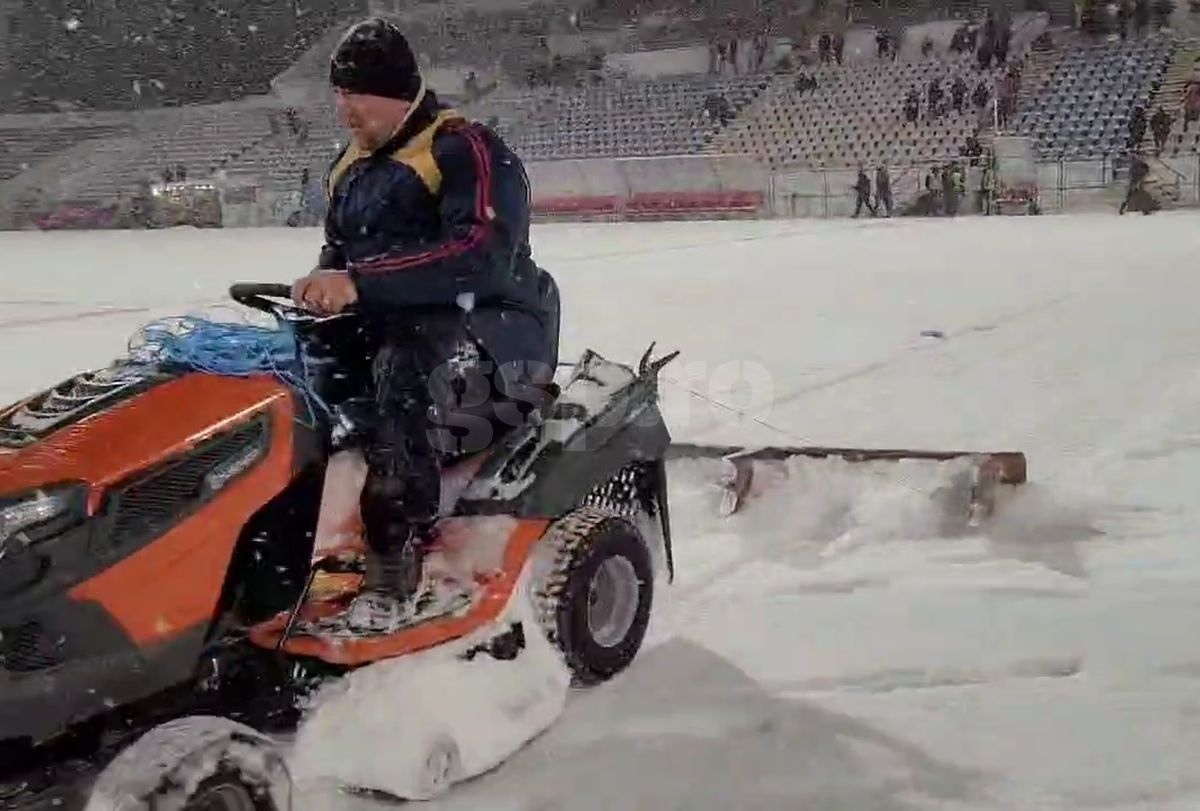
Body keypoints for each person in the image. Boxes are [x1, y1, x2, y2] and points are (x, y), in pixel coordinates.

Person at [291, 17, 560, 632]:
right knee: (297, 371)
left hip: (500, 330)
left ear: (395, 92)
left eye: (354, 93)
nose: (343, 109)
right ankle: (291, 536)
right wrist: (324, 282)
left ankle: (394, 552)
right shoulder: (351, 165)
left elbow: (481, 256)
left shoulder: (464, 148)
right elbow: (341, 250)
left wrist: (362, 283)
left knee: (402, 368)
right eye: (337, 94)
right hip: (400, 320)